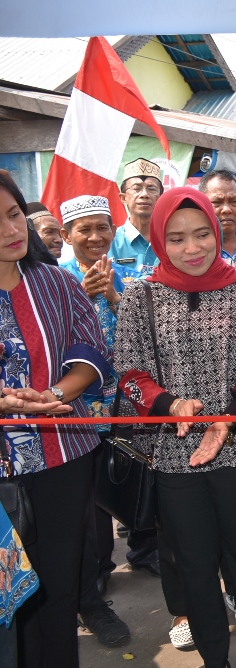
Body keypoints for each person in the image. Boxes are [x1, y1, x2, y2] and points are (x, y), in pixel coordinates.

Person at [114, 187, 236, 668]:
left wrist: (231, 413)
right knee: (195, 564)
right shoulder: (141, 295)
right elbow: (129, 372)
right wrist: (169, 403)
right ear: (160, 239)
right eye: (178, 238)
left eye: (202, 234)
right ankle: (215, 659)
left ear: (217, 230)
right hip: (174, 452)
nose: (193, 248)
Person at [0, 170, 112, 668]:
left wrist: (52, 394)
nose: (10, 228)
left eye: (11, 213)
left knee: (59, 587)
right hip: (4, 472)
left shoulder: (56, 282)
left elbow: (92, 350)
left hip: (64, 456)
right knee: (10, 597)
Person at [56, 195, 139, 648]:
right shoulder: (55, 280)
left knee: (118, 487)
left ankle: (112, 568)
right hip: (72, 413)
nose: (94, 237)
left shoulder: (123, 273)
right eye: (83, 229)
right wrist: (82, 297)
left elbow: (138, 328)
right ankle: (91, 594)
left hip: (122, 404)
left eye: (102, 227)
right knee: (83, 508)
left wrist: (110, 293)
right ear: (66, 236)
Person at [198, 170, 236, 275]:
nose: (227, 209)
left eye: (234, 201)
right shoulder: (193, 254)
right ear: (201, 206)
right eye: (217, 202)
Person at [110, 158, 163, 275]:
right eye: (136, 189)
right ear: (123, 198)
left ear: (160, 197)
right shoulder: (110, 241)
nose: (144, 194)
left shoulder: (171, 239)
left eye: (151, 189)